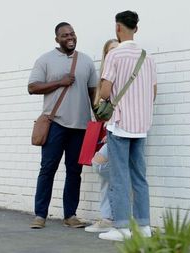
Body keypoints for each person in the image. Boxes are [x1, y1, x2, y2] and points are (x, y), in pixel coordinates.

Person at [27, 22, 98, 229]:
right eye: (65, 35)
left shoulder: (85, 61)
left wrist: (98, 120)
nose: (70, 37)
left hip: (81, 127)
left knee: (74, 171)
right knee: (47, 169)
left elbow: (93, 92)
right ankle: (40, 215)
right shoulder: (45, 60)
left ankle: (70, 215)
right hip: (55, 123)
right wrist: (60, 82)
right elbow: (32, 87)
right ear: (57, 38)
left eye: (72, 34)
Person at [97, 11, 157, 241]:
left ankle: (121, 228)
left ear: (118, 29)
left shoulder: (115, 55)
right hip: (141, 126)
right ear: (137, 29)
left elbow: (104, 91)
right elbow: (153, 93)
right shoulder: (147, 58)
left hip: (120, 124)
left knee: (120, 175)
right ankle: (144, 227)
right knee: (139, 176)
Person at [85, 39, 119, 233]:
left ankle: (112, 216)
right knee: (105, 177)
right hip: (110, 130)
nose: (113, 54)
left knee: (99, 165)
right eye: (110, 52)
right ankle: (107, 218)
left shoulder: (124, 74)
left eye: (116, 49)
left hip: (121, 130)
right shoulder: (104, 79)